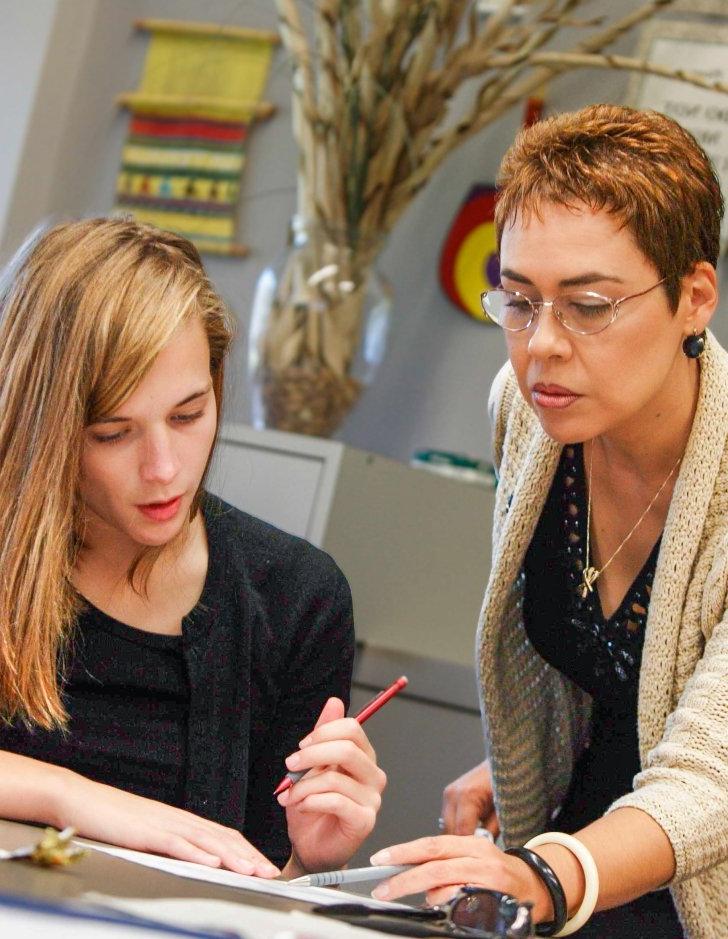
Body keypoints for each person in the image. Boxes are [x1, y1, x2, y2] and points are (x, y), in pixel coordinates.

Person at [367, 105, 727, 937]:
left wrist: (541, 873)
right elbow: (615, 676)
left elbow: (711, 773)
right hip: (590, 849)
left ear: (694, 298)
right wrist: (528, 760)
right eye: (520, 300)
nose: (542, 347)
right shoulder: (529, 416)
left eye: (590, 305)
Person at [0, 217, 386, 879]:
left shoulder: (295, 597)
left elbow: (255, 887)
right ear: (47, 426)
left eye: (187, 415)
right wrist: (77, 798)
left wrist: (308, 861)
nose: (164, 468)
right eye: (114, 432)